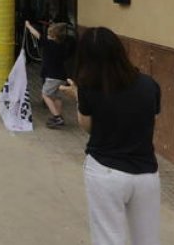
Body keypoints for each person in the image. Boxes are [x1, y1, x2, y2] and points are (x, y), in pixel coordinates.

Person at [59, 27, 161, 245]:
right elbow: (147, 120)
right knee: (147, 239)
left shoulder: (88, 88)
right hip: (146, 173)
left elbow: (88, 127)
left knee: (108, 238)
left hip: (105, 171)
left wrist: (78, 96)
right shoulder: (149, 85)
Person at [25, 20, 75, 128]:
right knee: (56, 97)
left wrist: (29, 26)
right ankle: (58, 115)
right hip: (62, 75)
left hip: (52, 76)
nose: (47, 36)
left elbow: (37, 35)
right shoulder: (62, 46)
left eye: (49, 34)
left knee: (45, 94)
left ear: (53, 36)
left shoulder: (49, 44)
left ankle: (57, 117)